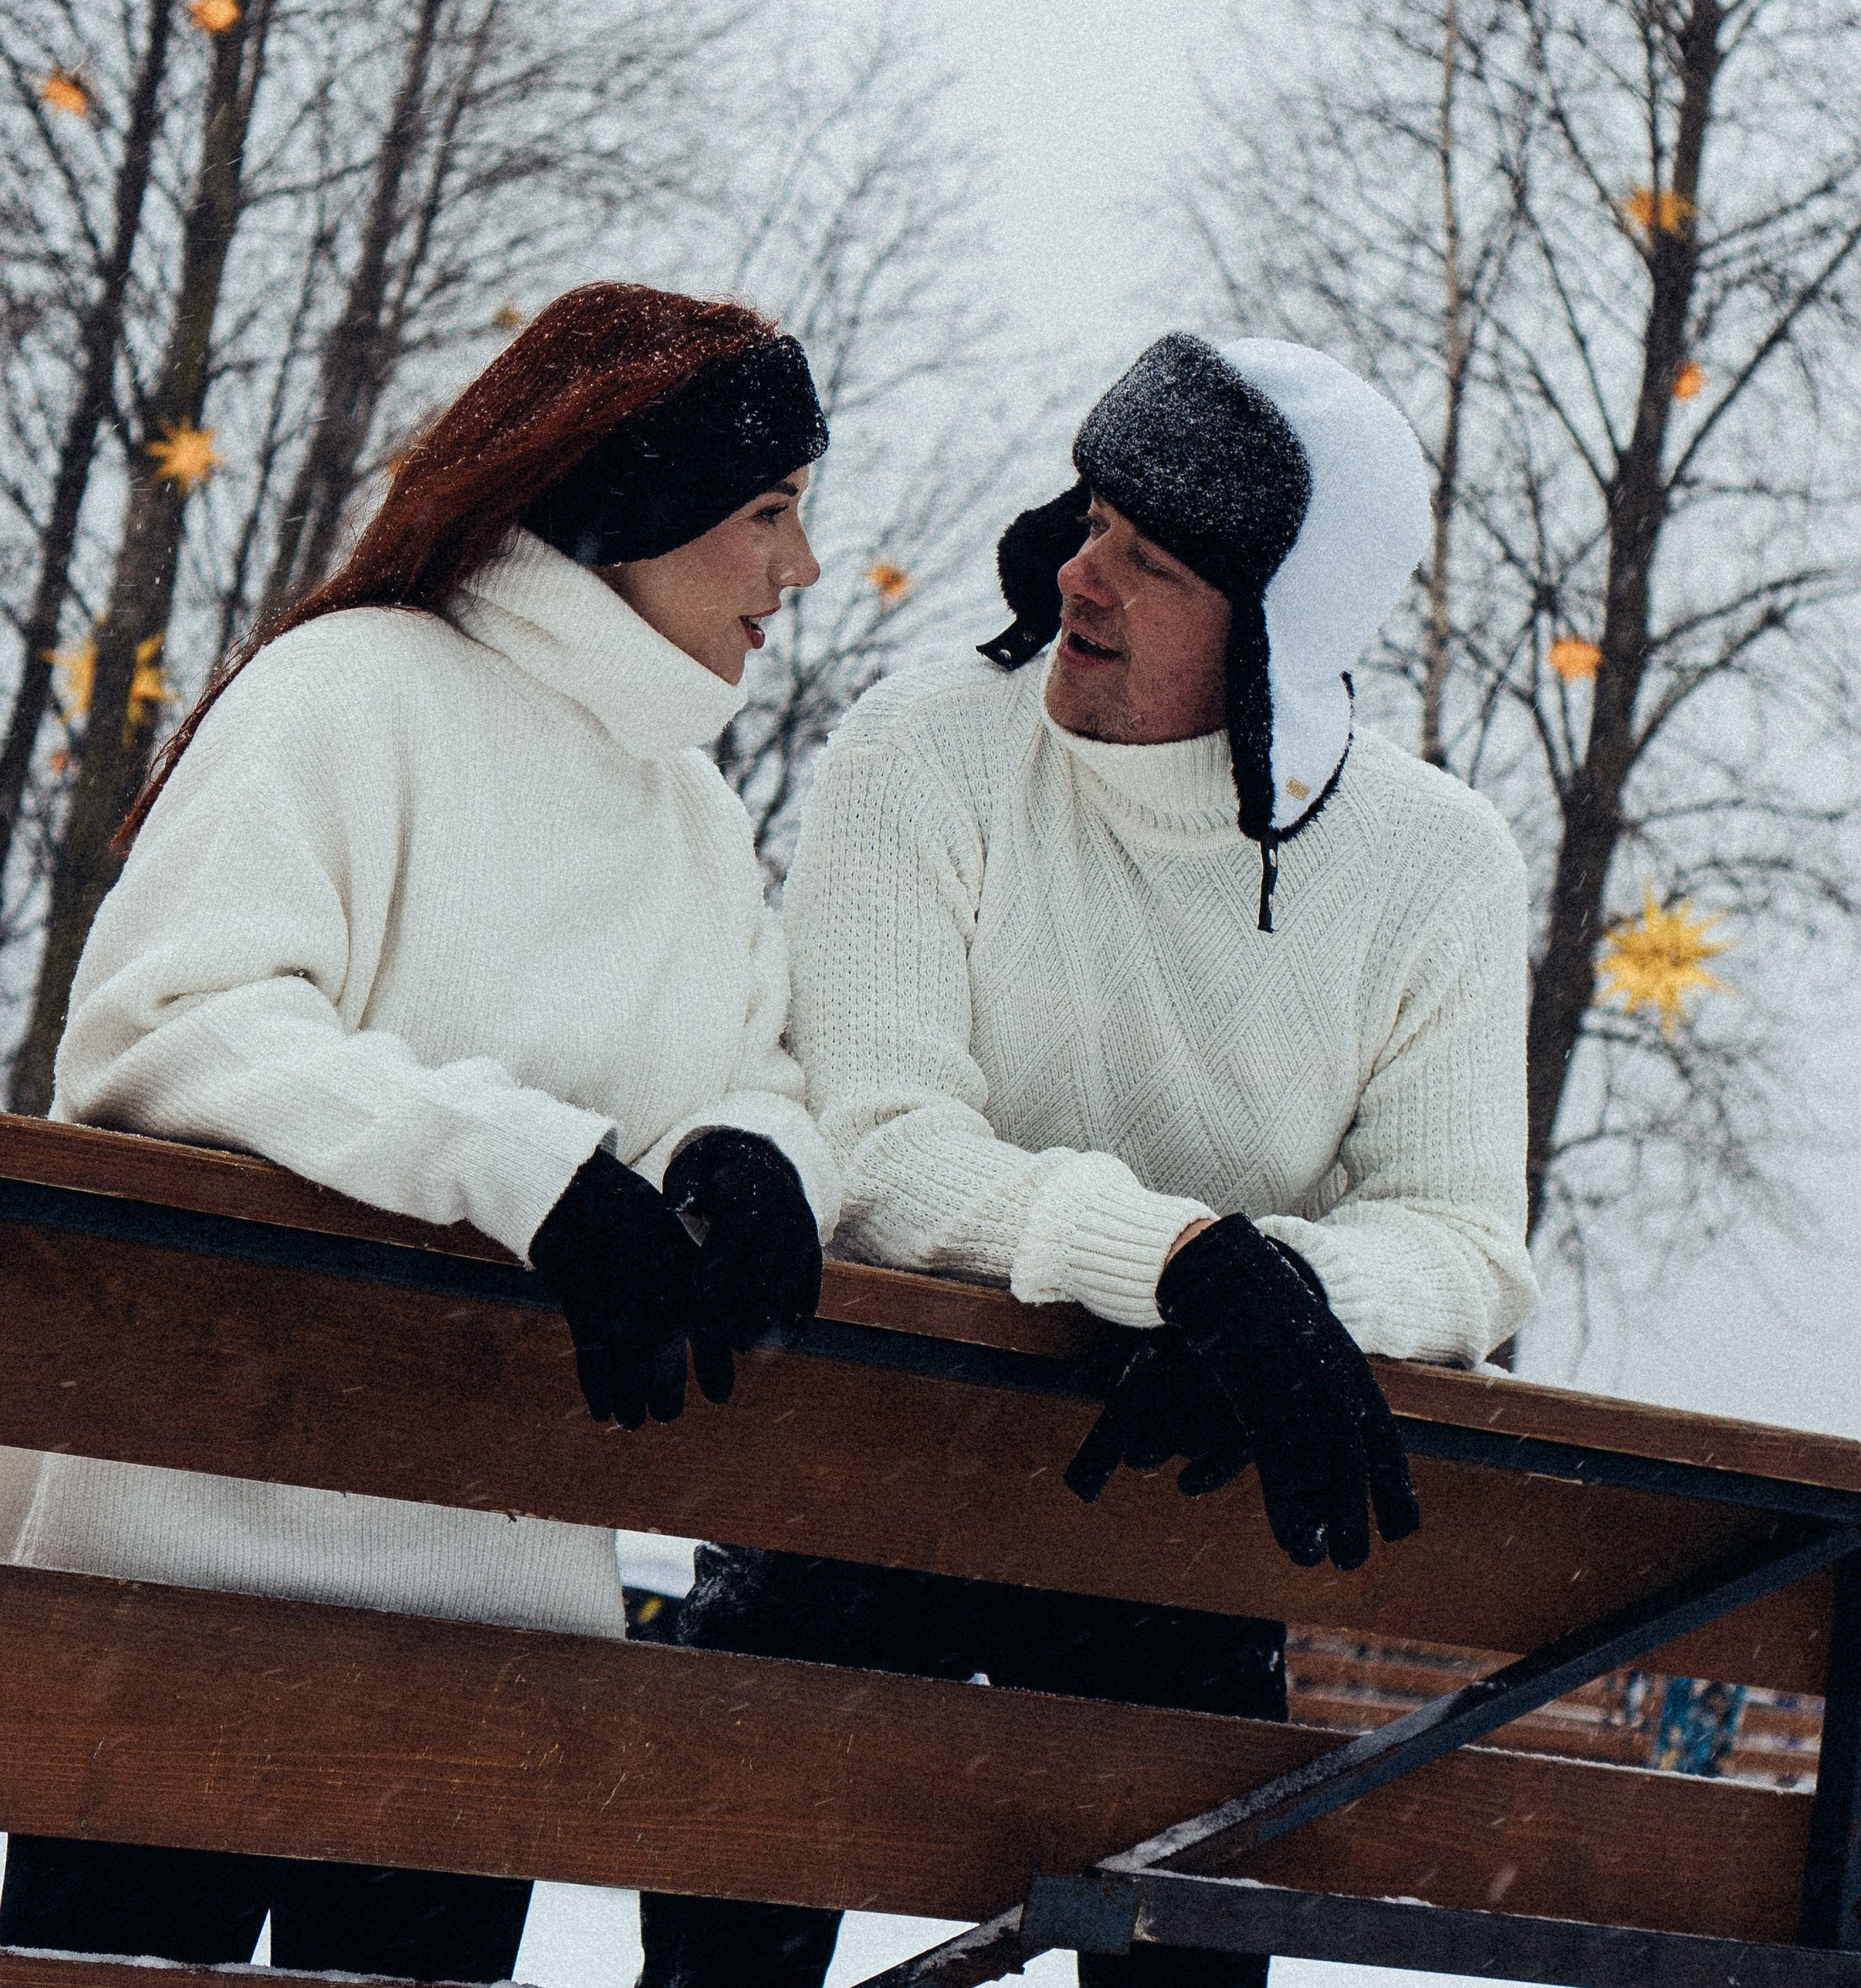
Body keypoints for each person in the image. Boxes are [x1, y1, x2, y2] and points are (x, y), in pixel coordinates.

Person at [641, 331, 1535, 1988]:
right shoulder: (923, 754)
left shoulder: (1434, 869)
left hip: (1161, 1535)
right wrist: (1187, 1265)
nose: (1083, 574)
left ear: (1277, 634)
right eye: (1092, 519)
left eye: (1155, 559)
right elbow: (881, 1146)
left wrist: (1284, 1291)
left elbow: (1466, 1241)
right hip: (854, 1492)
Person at [1, 283, 838, 1984]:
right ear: (640, 506)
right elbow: (178, 1022)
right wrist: (521, 1171)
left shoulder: (691, 812)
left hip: (495, 1621)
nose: (798, 571)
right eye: (769, 514)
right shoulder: (351, 693)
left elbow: (759, 1068)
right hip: (194, 1586)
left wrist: (750, 1159)